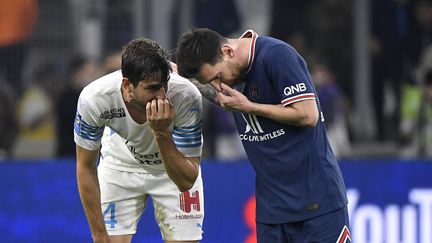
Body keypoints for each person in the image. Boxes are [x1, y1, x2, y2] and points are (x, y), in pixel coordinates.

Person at [176, 28, 350, 243]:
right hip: (272, 211)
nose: (219, 85)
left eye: (218, 76)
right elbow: (221, 98)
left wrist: (250, 107)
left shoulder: (277, 56)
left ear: (228, 51)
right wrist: (180, 76)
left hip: (317, 203)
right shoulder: (230, 73)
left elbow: (308, 115)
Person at [74, 38, 204, 243]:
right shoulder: (94, 99)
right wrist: (99, 236)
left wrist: (161, 134)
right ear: (127, 86)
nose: (161, 96)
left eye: (164, 85)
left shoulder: (186, 96)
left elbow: (187, 181)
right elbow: (85, 167)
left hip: (171, 169)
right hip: (120, 165)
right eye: (152, 88)